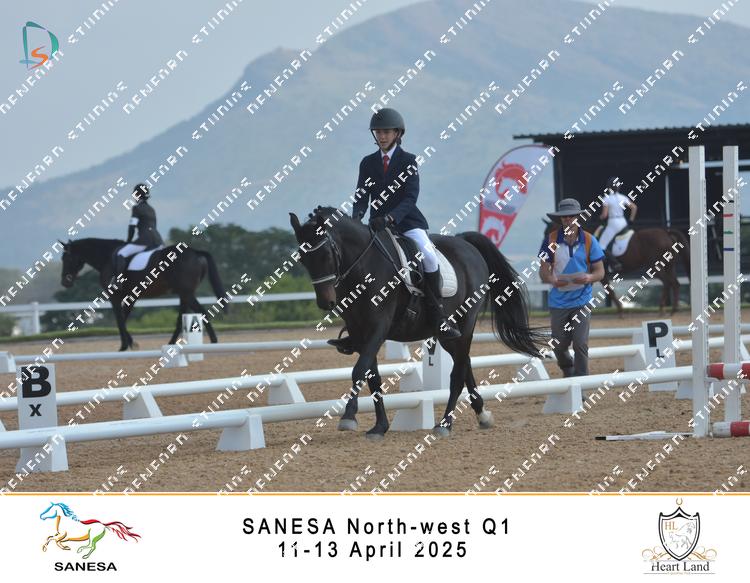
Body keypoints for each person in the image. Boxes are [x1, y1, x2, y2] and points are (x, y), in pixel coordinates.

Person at [329, 108, 460, 355]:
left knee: (429, 257)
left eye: (386, 132)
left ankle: (438, 316)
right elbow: (362, 195)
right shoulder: (367, 163)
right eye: (378, 132)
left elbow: (411, 196)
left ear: (398, 133)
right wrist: (357, 217)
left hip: (407, 223)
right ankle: (354, 327)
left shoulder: (408, 160)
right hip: (376, 226)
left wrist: (391, 217)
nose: (382, 136)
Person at [539, 198, 605, 377]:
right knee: (558, 344)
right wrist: (552, 280)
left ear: (578, 217)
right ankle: (568, 369)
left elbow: (600, 272)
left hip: (582, 300)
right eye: (564, 217)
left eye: (571, 216)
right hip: (558, 301)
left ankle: (582, 379)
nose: (568, 219)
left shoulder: (590, 240)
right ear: (560, 219)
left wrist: (589, 277)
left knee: (580, 343)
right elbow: (543, 271)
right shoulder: (550, 240)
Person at [110, 183, 164, 285]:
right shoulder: (151, 209)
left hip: (145, 241)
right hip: (158, 240)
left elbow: (132, 227)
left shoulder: (137, 208)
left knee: (121, 253)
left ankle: (119, 281)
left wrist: (128, 241)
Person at [598, 176, 637, 273]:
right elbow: (634, 207)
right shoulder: (623, 197)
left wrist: (600, 217)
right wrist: (631, 220)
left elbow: (604, 215)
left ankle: (615, 263)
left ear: (609, 187)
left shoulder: (607, 199)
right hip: (623, 222)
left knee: (601, 246)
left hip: (613, 223)